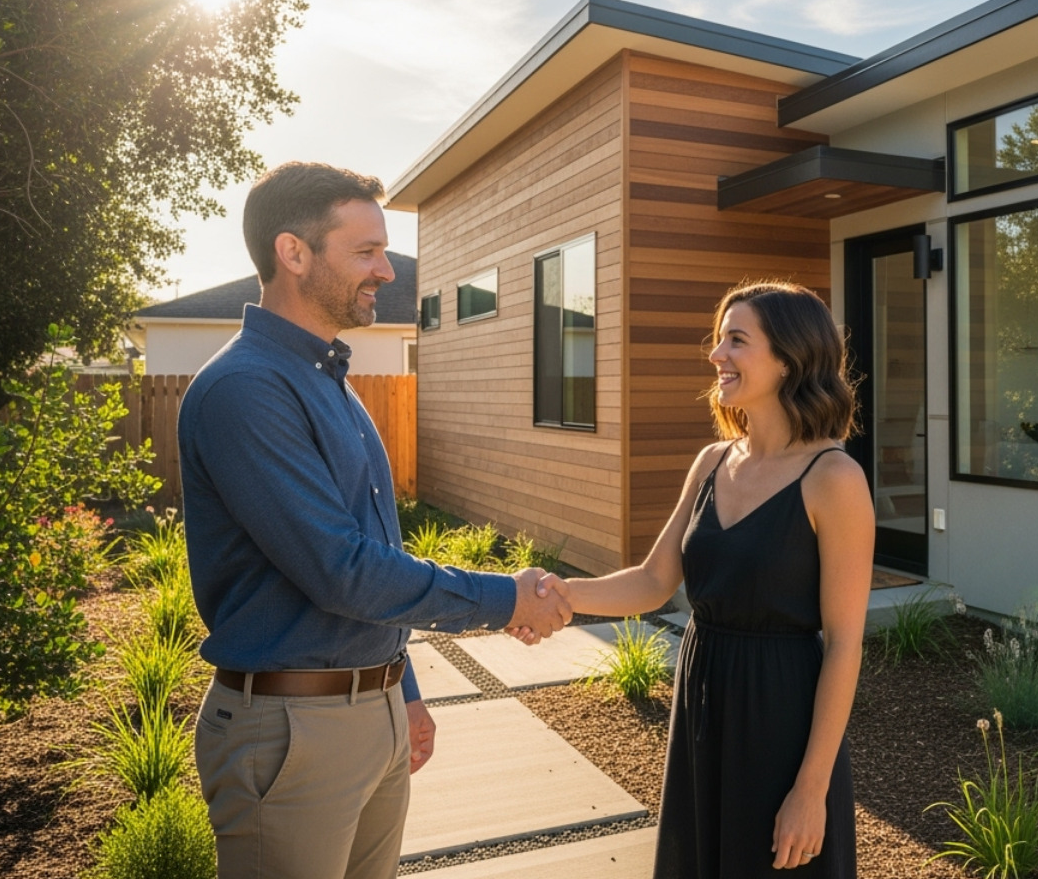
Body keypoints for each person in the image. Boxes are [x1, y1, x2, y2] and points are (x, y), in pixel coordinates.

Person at [178, 161, 572, 879]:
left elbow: (377, 550)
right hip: (292, 733)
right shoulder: (246, 390)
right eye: (365, 251)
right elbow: (342, 571)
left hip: (371, 711)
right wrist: (507, 597)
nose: (387, 270)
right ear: (293, 253)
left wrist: (403, 689)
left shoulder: (330, 383)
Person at [548, 281, 875, 876]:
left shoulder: (835, 478)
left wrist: (811, 788)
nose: (716, 354)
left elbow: (846, 642)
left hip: (780, 715)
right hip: (703, 701)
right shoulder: (712, 461)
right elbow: (653, 581)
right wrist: (559, 597)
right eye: (719, 338)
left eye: (736, 340)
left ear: (789, 358)